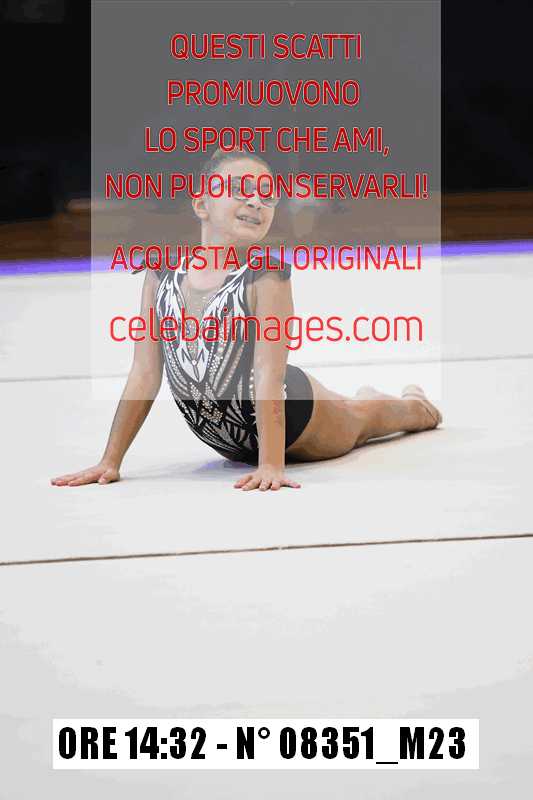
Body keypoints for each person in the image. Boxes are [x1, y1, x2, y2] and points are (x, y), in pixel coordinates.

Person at [51, 148, 442, 493]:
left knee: (364, 420)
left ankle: (415, 406)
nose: (256, 201)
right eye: (240, 189)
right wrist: (110, 461)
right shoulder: (162, 274)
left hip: (294, 419)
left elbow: (268, 375)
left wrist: (271, 464)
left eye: (267, 195)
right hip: (230, 438)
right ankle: (365, 396)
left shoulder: (266, 277)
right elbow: (144, 373)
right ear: (201, 204)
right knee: (353, 406)